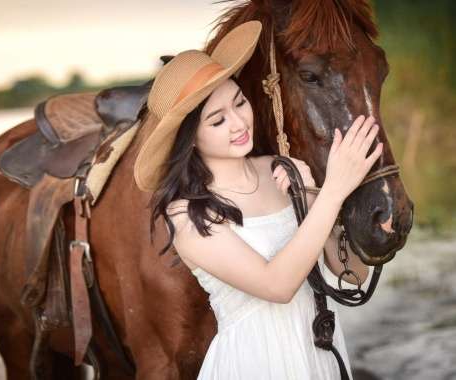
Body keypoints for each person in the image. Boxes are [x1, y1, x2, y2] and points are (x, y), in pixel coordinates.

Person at [134, 20, 382, 379]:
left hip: (317, 352)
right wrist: (333, 191)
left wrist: (312, 195)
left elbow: (353, 275)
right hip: (256, 360)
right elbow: (276, 286)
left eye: (239, 102)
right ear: (190, 139)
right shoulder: (188, 214)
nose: (238, 123)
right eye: (218, 121)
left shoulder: (280, 169)